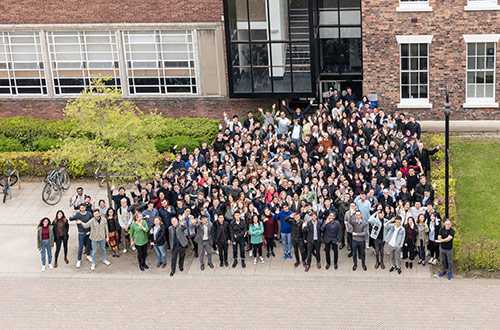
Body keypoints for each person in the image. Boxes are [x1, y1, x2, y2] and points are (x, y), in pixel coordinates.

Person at [69, 203, 93, 268]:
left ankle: (88, 256)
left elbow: (92, 221)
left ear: (85, 208)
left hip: (88, 232)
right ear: (79, 208)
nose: (82, 209)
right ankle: (79, 260)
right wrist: (75, 218)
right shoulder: (78, 214)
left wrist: (90, 231)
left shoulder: (89, 213)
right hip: (81, 233)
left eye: (83, 207)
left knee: (88, 245)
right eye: (81, 208)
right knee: (81, 247)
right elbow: (70, 218)